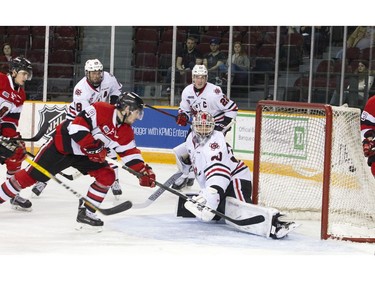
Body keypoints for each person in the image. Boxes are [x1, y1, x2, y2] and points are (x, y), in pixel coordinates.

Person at [0, 92, 156, 228]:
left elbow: (130, 153)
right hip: (62, 147)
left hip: (85, 155)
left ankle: (86, 212)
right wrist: (93, 147)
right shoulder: (101, 109)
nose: (138, 117)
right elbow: (76, 127)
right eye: (137, 112)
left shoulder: (126, 131)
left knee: (107, 175)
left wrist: (142, 171)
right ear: (127, 109)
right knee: (29, 177)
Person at [179, 111, 297, 239]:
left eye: (207, 126)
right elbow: (192, 155)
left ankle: (277, 222)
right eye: (200, 126)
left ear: (213, 126)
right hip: (216, 183)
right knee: (223, 212)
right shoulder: (191, 138)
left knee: (241, 210)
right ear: (193, 126)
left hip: (235, 178)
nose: (203, 130)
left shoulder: (216, 141)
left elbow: (219, 169)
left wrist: (213, 193)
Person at [31, 59, 124, 198]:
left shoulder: (109, 78)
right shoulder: (81, 90)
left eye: (99, 72)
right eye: (93, 73)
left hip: (101, 118)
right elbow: (86, 118)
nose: (97, 76)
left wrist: (112, 108)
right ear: (87, 73)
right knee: (61, 153)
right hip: (76, 121)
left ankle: (114, 180)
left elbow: (116, 91)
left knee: (108, 150)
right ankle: (42, 180)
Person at [173, 64, 238, 189]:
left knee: (206, 155)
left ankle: (212, 183)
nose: (200, 80)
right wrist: (183, 116)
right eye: (197, 77)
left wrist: (223, 125)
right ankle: (187, 174)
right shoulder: (187, 91)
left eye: (202, 77)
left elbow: (232, 108)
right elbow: (184, 109)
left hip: (213, 128)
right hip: (197, 127)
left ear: (206, 78)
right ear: (193, 77)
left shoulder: (215, 92)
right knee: (185, 151)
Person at [0, 56, 33, 210]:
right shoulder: (1, 80)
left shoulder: (21, 95)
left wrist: (11, 136)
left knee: (16, 151)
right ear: (13, 72)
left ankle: (12, 193)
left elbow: (10, 120)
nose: (25, 77)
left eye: (27, 74)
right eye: (23, 74)